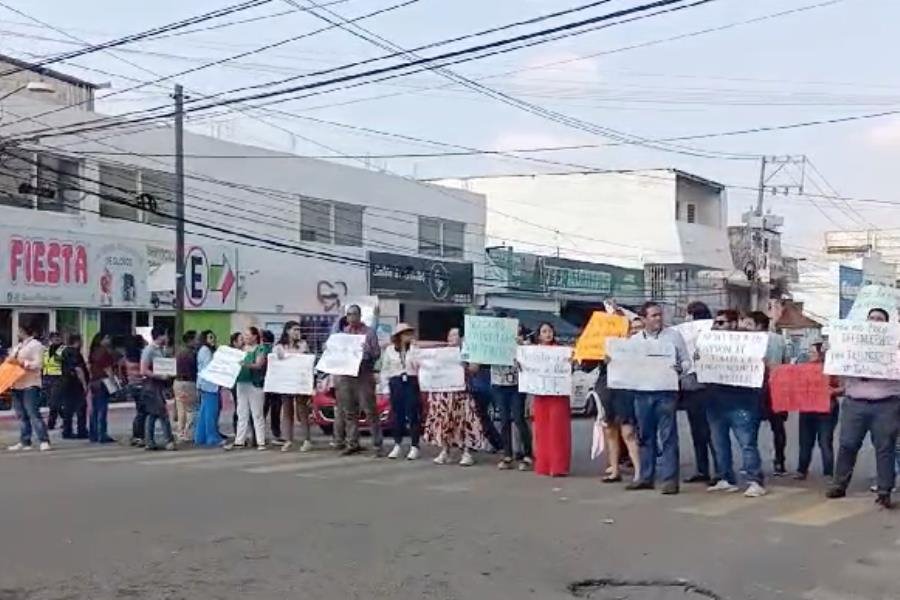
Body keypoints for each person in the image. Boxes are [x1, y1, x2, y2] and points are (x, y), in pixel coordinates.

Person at [827, 308, 900, 509]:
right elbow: (837, 367)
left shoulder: (895, 347)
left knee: (885, 448)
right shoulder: (852, 344)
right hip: (855, 402)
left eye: (880, 319)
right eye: (872, 318)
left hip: (886, 403)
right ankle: (839, 485)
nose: (875, 322)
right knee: (847, 445)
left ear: (887, 325)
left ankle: (885, 491)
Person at [624, 302, 689, 495]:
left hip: (666, 392)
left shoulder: (674, 336)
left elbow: (686, 360)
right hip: (642, 393)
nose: (658, 319)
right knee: (645, 436)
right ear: (643, 319)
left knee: (668, 436)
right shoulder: (635, 341)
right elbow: (626, 365)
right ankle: (646, 477)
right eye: (653, 316)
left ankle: (670, 480)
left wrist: (680, 369)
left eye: (659, 315)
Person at [705, 310, 768, 498]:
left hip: (743, 401)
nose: (717, 326)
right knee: (719, 442)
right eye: (716, 323)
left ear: (733, 324)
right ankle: (725, 478)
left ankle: (755, 480)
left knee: (747, 443)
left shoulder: (749, 344)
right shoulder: (710, 343)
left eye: (722, 323)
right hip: (715, 399)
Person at [424, 327, 486, 465]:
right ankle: (445, 451)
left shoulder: (467, 352)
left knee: (465, 422)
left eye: (455, 335)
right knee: (444, 421)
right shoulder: (440, 353)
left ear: (461, 338)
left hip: (462, 393)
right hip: (444, 393)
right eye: (450, 335)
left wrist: (465, 365)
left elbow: (475, 369)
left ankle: (466, 452)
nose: (452, 338)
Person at [741, 311, 790, 476]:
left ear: (759, 325)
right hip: (776, 387)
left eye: (748, 324)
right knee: (778, 428)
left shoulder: (748, 342)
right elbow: (786, 363)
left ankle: (750, 462)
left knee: (750, 427)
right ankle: (780, 461)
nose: (744, 327)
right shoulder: (780, 340)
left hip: (756, 387)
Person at [332, 305, 383, 456]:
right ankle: (352, 443)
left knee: (370, 411)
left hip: (363, 375)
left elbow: (376, 353)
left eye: (354, 314)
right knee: (349, 411)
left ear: (360, 316)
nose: (351, 317)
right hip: (347, 376)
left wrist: (364, 352)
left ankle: (377, 444)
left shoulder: (369, 332)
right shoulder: (344, 333)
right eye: (348, 315)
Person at [597, 317, 642, 483]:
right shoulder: (611, 345)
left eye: (638, 329)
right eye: (632, 329)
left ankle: (639, 472)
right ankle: (614, 470)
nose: (634, 332)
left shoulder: (642, 347)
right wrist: (604, 359)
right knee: (610, 431)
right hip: (607, 390)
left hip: (627, 392)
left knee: (628, 432)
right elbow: (588, 364)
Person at [679, 301, 717, 484]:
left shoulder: (713, 333)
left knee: (709, 432)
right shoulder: (683, 334)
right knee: (698, 431)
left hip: (705, 387)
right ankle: (703, 470)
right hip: (691, 387)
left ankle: (718, 471)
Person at [795, 342, 841, 481]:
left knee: (825, 441)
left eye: (812, 352)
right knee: (805, 442)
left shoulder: (831, 369)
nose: (809, 354)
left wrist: (832, 391)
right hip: (807, 409)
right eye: (809, 352)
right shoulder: (802, 369)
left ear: (821, 354)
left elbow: (843, 387)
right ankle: (801, 470)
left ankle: (828, 473)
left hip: (826, 410)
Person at [531, 322, 572, 477]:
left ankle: (559, 466)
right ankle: (544, 464)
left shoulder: (561, 351)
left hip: (558, 395)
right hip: (541, 396)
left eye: (549, 331)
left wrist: (570, 362)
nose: (547, 334)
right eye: (544, 331)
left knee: (558, 430)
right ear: (539, 334)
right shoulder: (533, 352)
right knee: (542, 430)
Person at [492, 324, 533, 471]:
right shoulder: (493, 342)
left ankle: (527, 454)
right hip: (498, 383)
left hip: (517, 385)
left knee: (518, 418)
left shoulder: (524, 343)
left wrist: (521, 346)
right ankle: (507, 454)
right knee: (503, 420)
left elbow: (531, 361)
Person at [6, 319, 51, 452]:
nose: (18, 333)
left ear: (26, 331)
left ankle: (44, 440)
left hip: (30, 384)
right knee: (21, 415)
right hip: (16, 384)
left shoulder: (36, 345)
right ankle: (25, 441)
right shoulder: (18, 346)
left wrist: (22, 363)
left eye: (20, 330)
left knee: (33, 413)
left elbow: (38, 364)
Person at [383, 323, 422, 461]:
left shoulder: (414, 349)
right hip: (396, 381)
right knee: (397, 415)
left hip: (410, 381)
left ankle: (415, 445)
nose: (408, 336)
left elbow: (419, 366)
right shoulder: (389, 350)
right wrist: (385, 388)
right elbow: (385, 368)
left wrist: (412, 351)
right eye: (405, 334)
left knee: (412, 414)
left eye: (410, 333)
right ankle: (397, 444)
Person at [227, 326, 268, 451]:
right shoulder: (241, 349)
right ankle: (239, 440)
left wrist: (246, 365)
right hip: (241, 383)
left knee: (257, 414)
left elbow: (259, 364)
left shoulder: (260, 348)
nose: (245, 338)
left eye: (248, 335)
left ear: (255, 336)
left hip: (255, 384)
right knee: (241, 413)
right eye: (244, 336)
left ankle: (261, 441)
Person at [275, 322, 313, 453]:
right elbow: (276, 363)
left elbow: (308, 363)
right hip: (286, 383)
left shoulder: (303, 345)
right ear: (287, 331)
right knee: (287, 411)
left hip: (300, 382)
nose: (297, 332)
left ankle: (307, 439)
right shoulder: (280, 346)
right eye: (295, 329)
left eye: (299, 330)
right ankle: (288, 439)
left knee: (302, 411)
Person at [141, 326, 176, 451]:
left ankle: (149, 441)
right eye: (165, 335)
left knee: (153, 414)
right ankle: (168, 440)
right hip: (152, 385)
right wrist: (159, 376)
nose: (167, 338)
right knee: (162, 413)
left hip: (160, 385)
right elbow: (144, 370)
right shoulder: (149, 350)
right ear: (160, 336)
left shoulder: (162, 350)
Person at [194, 330, 223, 447]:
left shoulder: (203, 350)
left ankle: (200, 437)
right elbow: (209, 367)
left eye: (213, 337)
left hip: (204, 384)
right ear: (204, 339)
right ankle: (212, 437)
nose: (213, 340)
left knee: (204, 412)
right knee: (211, 412)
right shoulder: (206, 351)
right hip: (210, 385)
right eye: (210, 337)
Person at [87, 332, 118, 444]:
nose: (109, 340)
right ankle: (102, 434)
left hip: (94, 381)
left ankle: (93, 434)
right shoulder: (104, 352)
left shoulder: (93, 352)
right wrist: (114, 384)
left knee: (94, 409)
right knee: (102, 409)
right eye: (107, 337)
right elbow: (108, 370)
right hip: (103, 382)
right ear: (101, 340)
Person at [171, 330, 200, 443]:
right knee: (191, 409)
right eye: (196, 339)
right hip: (189, 383)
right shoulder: (192, 353)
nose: (198, 341)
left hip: (177, 382)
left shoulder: (178, 351)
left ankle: (180, 432)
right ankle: (188, 432)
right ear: (191, 340)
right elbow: (194, 369)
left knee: (181, 409)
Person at [59, 333, 89, 440]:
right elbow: (78, 369)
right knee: (81, 407)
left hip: (66, 382)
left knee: (68, 408)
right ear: (77, 341)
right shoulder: (75, 353)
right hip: (75, 384)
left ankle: (67, 431)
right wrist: (85, 384)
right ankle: (81, 430)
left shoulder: (64, 352)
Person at [120, 335, 146, 446]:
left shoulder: (126, 357)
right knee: (143, 412)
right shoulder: (141, 355)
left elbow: (121, 370)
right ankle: (139, 436)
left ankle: (137, 435)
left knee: (140, 411)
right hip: (142, 385)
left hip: (132, 385)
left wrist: (125, 381)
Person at [260, 329, 283, 444]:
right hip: (276, 384)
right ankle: (276, 434)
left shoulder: (261, 349)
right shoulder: (275, 350)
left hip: (264, 384)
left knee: (262, 410)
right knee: (275, 410)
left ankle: (259, 434)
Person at [42, 332, 64, 430]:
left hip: (58, 378)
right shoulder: (46, 350)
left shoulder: (64, 350)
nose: (56, 340)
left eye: (58, 338)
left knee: (54, 402)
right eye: (54, 338)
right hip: (47, 378)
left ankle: (51, 423)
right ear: (50, 340)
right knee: (52, 402)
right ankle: (65, 418)